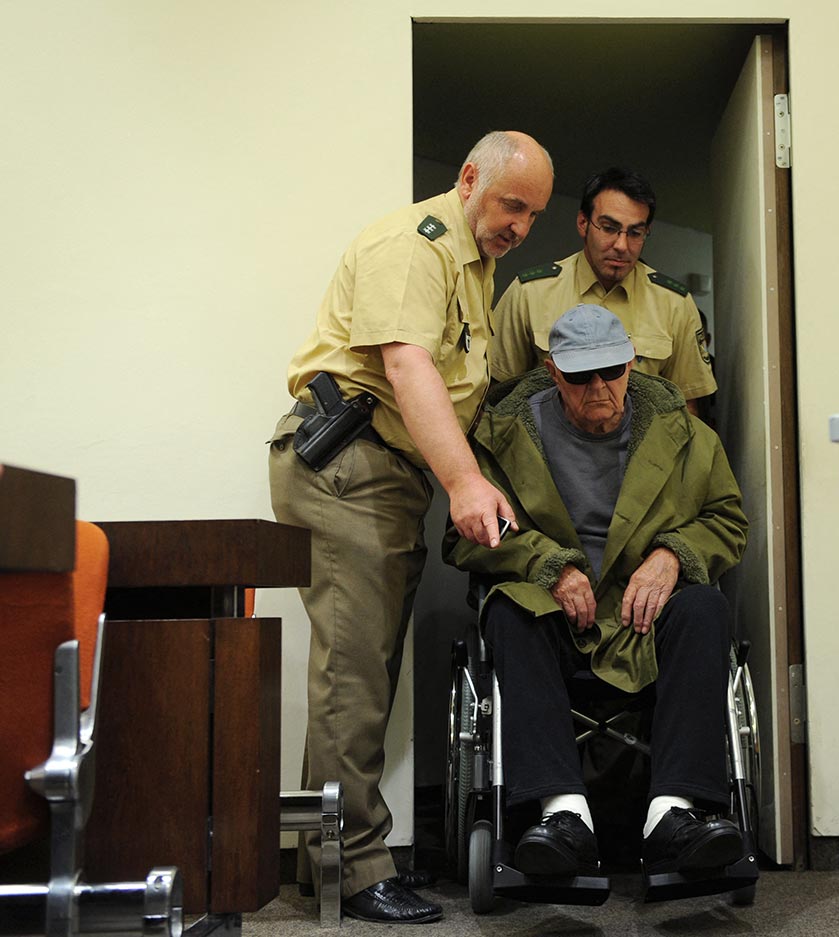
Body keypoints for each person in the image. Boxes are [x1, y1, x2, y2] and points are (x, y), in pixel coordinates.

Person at [268, 130, 554, 924]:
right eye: (510, 204)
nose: (521, 225)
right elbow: (407, 366)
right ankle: (351, 874)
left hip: (384, 477)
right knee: (354, 674)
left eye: (532, 213)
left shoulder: (474, 270)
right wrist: (463, 480)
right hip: (347, 464)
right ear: (468, 180)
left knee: (365, 673)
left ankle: (324, 866)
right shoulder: (416, 245)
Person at [445, 304, 749, 877]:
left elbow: (728, 523)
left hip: (644, 614)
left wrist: (672, 556)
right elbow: (466, 535)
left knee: (706, 608)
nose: (598, 388)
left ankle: (673, 813)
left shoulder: (686, 435)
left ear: (631, 363)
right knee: (511, 612)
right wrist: (548, 565)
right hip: (556, 614)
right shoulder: (504, 435)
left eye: (610, 371)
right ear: (551, 370)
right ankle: (564, 816)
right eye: (579, 376)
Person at [490, 167, 717, 414]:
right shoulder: (530, 293)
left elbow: (689, 407)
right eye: (609, 228)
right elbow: (499, 396)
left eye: (635, 233)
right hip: (546, 449)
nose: (621, 245)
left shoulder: (674, 303)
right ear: (583, 223)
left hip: (646, 450)